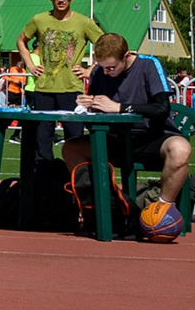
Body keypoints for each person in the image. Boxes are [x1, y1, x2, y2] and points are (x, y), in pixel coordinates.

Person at [71, 33, 191, 228]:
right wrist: (87, 105)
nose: (107, 72)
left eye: (111, 67)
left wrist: (120, 107)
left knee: (181, 148)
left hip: (151, 139)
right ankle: (102, 206)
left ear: (126, 56)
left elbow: (161, 108)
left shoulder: (149, 64)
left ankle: (160, 213)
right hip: (114, 139)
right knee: (71, 148)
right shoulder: (99, 72)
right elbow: (97, 109)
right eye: (102, 67)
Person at [16, 0, 102, 167]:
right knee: (42, 139)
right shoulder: (39, 19)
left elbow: (107, 45)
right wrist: (30, 64)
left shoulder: (83, 22)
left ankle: (77, 182)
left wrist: (90, 69)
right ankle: (44, 182)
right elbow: (21, 41)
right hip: (44, 88)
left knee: (75, 139)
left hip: (72, 89)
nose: (60, 0)